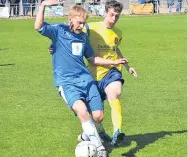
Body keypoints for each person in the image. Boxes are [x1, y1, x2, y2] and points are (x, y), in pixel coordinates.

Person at [35, 1, 126, 156]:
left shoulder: (84, 37)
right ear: (70, 20)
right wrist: (43, 5)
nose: (82, 26)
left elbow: (92, 59)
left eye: (84, 23)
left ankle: (88, 135)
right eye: (79, 23)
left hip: (86, 80)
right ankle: (100, 149)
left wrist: (114, 62)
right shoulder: (58, 31)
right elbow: (39, 27)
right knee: (83, 112)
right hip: (67, 82)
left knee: (98, 116)